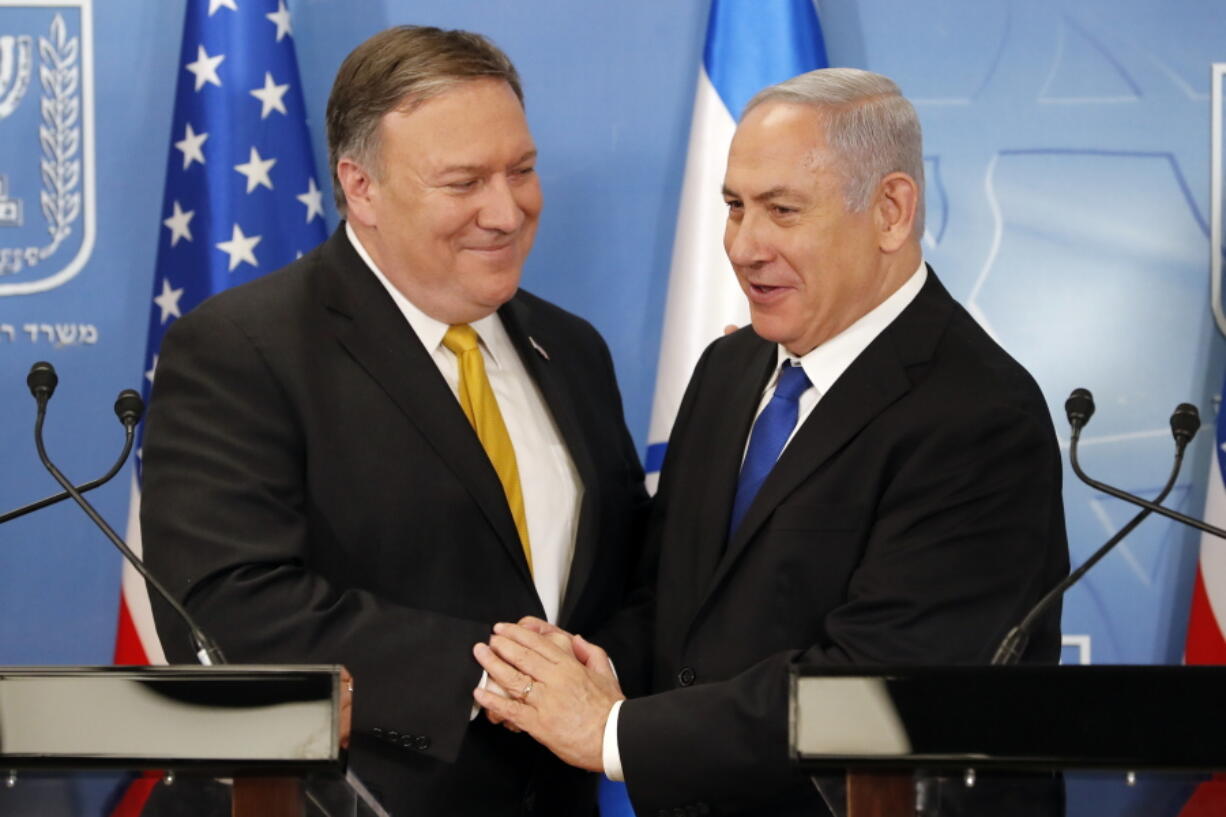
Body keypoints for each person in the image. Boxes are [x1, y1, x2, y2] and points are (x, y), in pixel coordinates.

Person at [474, 67, 1070, 816]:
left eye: (782, 210)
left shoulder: (980, 416)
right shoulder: (731, 367)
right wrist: (564, 669)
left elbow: (876, 685)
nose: (745, 247)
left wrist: (614, 730)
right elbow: (671, 597)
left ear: (890, 210)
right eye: (734, 207)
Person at [141, 26, 649, 817]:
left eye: (522, 170)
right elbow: (228, 609)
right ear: (361, 187)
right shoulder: (243, 348)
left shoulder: (572, 349)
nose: (507, 209)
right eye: (463, 182)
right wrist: (500, 676)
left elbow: (622, 575)